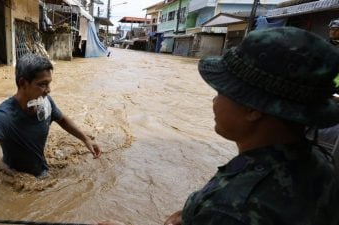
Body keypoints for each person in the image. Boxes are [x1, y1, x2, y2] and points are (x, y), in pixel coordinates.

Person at [99, 27, 339, 225]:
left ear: (253, 109)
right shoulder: (321, 164)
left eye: (221, 91)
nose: (214, 100)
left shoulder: (232, 207)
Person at [0, 54, 102, 223]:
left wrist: (86, 139)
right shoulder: (3, 116)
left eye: (49, 83)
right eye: (42, 84)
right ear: (23, 83)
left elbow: (62, 119)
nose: (48, 90)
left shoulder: (45, 103)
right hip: (13, 180)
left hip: (43, 173)